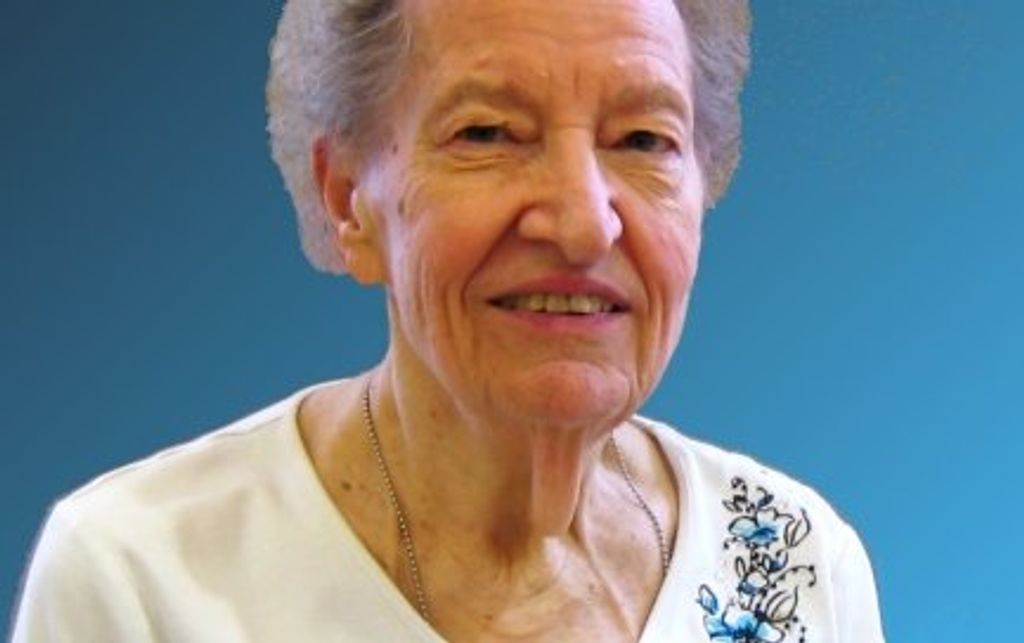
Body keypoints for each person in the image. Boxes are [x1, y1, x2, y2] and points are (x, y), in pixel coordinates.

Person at [12, 0, 885, 640]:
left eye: (642, 141)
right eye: (489, 133)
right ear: (347, 200)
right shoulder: (140, 578)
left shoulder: (798, 563)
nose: (584, 223)